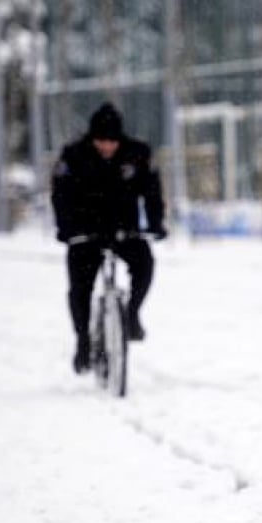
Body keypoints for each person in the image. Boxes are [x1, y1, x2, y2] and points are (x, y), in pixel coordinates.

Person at [51, 102, 167, 374]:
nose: (107, 147)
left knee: (145, 263)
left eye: (112, 141)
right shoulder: (73, 155)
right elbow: (61, 194)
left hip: (124, 230)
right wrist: (66, 228)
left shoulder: (137, 154)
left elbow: (152, 192)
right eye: (101, 141)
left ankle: (131, 314)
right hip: (85, 233)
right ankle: (83, 340)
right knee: (80, 288)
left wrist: (155, 224)